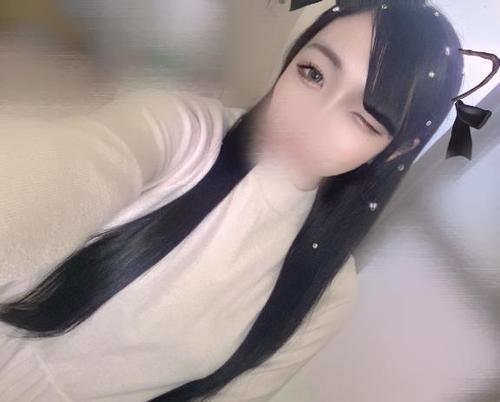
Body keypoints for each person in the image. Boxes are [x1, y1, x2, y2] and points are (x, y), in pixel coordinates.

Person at [0, 1, 464, 401]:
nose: (314, 116)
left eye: (364, 119)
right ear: (292, 58)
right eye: (313, 73)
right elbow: (52, 180)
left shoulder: (327, 293)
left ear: (396, 151)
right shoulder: (178, 132)